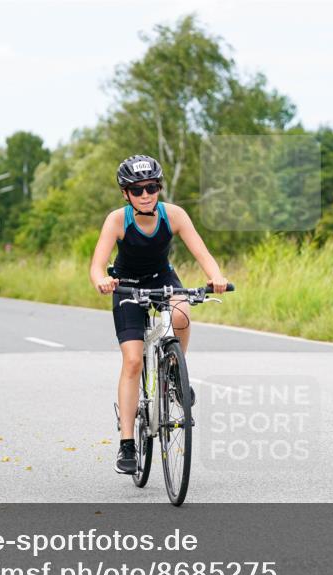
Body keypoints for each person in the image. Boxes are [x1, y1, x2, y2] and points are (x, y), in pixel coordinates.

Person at [89, 155, 229, 474]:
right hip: (126, 285)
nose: (145, 195)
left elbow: (202, 252)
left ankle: (176, 372)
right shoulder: (117, 220)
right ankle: (127, 444)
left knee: (181, 312)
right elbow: (97, 265)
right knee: (133, 361)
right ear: (126, 194)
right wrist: (101, 281)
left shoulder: (173, 215)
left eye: (151, 187)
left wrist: (216, 277)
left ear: (159, 188)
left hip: (162, 278)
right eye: (137, 190)